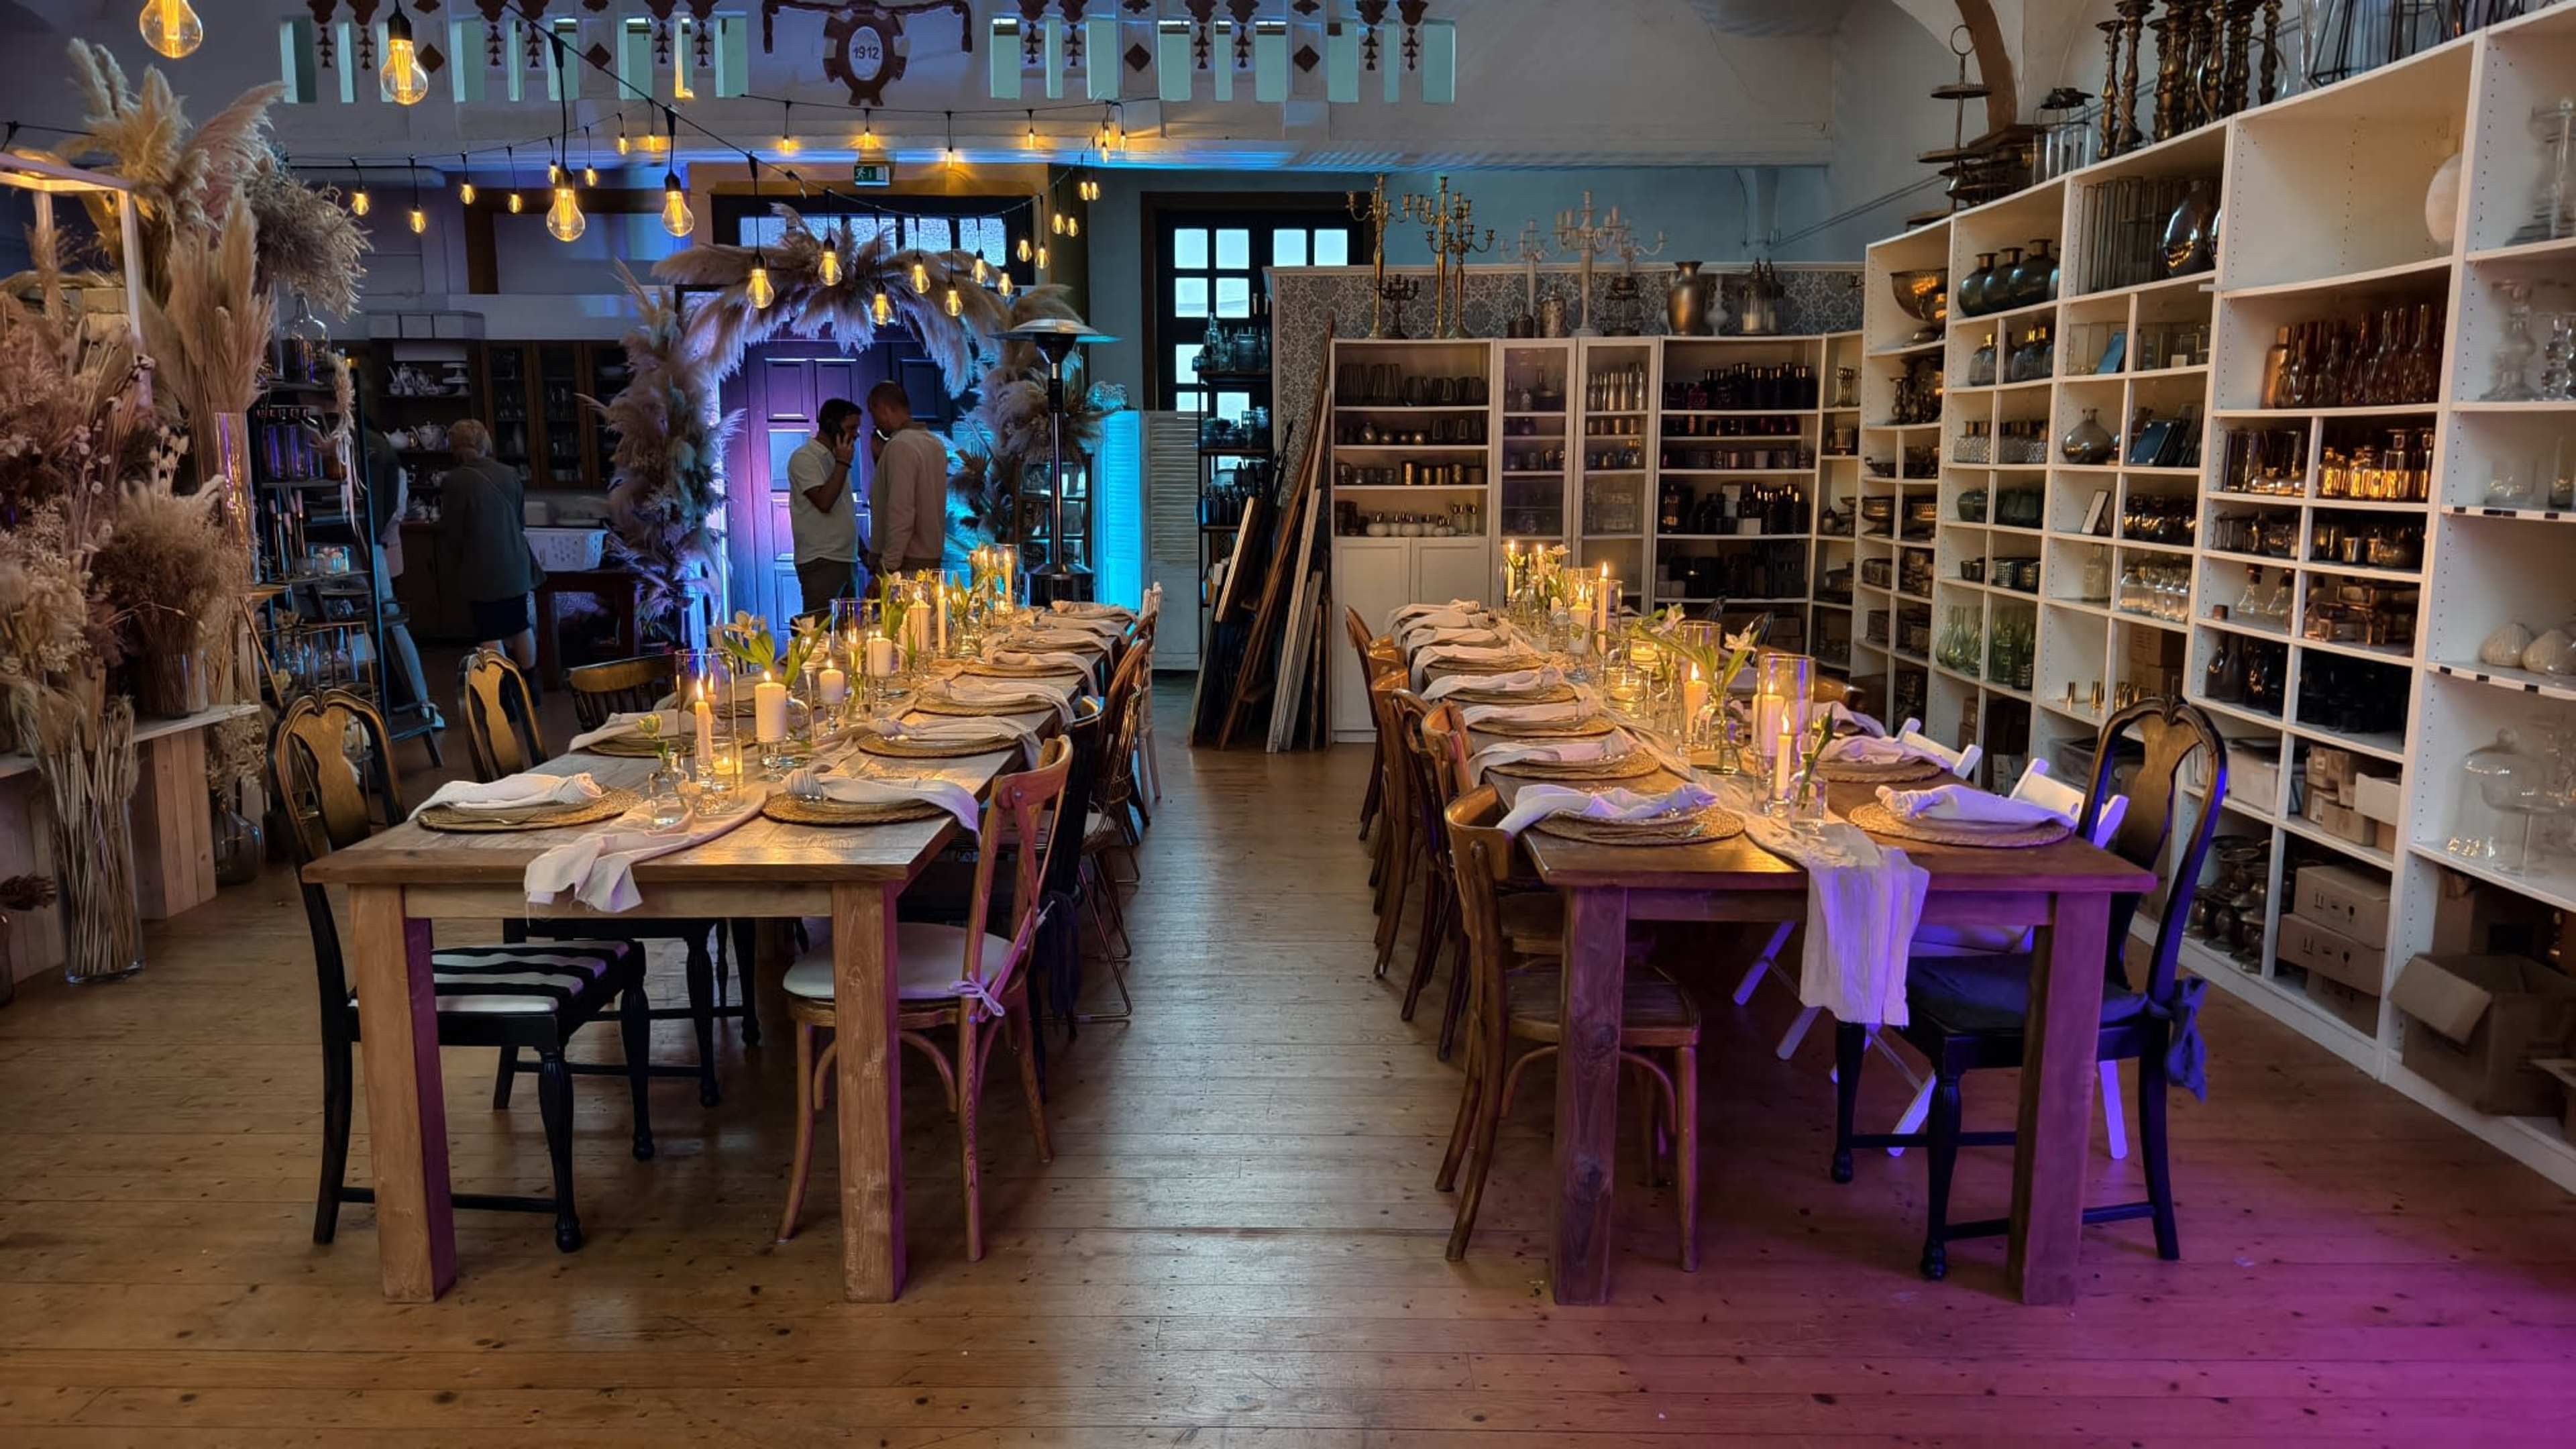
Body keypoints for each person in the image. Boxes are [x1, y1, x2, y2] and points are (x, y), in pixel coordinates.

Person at [439, 418, 538, 681]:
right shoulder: (509, 474)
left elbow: (453, 532)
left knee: (490, 630)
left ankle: (503, 692)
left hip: (481, 567)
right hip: (516, 563)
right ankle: (530, 687)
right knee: (520, 624)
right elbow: (520, 522)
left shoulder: (454, 482)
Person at [864, 378, 949, 581]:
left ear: (883, 409)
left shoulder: (900, 446)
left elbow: (901, 512)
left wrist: (887, 568)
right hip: (931, 565)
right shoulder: (935, 444)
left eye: (873, 413)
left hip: (906, 570)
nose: (874, 422)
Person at [787, 397, 861, 616]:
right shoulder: (805, 458)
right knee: (820, 632)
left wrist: (864, 551)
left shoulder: (837, 459)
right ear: (831, 425)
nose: (856, 434)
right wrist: (843, 464)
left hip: (847, 558)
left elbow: (843, 510)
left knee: (850, 634)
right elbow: (824, 502)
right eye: (851, 428)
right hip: (821, 560)